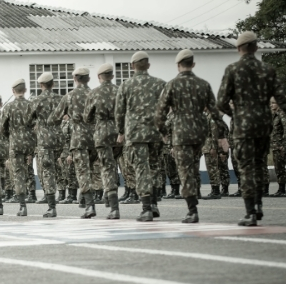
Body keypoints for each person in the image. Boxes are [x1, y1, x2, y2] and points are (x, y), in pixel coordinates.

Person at [217, 31, 286, 226]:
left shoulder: (232, 70)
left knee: (246, 168)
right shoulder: (267, 70)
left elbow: (221, 102)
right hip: (264, 127)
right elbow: (281, 98)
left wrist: (235, 115)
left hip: (243, 128)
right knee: (258, 165)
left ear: (239, 49)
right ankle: (259, 203)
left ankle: (251, 211)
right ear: (255, 47)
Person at [157, 49, 227, 223]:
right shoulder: (203, 84)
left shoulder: (172, 85)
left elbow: (160, 114)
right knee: (194, 168)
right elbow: (215, 112)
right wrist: (222, 136)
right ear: (193, 64)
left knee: (185, 171)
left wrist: (165, 134)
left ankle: (192, 209)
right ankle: (195, 196)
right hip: (200, 135)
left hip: (181, 135)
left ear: (178, 65)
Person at [116, 52, 166, 221]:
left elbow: (119, 112)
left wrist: (121, 132)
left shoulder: (126, 85)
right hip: (155, 134)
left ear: (132, 66)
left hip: (136, 135)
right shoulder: (160, 84)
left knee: (141, 168)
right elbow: (168, 109)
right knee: (154, 167)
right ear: (148, 65)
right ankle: (154, 204)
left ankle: (146, 208)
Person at [49, 68, 96, 218]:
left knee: (82, 171)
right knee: (94, 170)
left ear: (75, 78)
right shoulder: (96, 93)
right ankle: (86, 198)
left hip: (79, 139)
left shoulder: (70, 96)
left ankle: (89, 205)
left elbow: (54, 118)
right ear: (88, 79)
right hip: (96, 137)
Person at [84, 63, 121, 219]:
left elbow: (87, 117)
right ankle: (108, 193)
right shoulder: (120, 91)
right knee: (114, 165)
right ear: (112, 76)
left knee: (106, 167)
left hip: (102, 133)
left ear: (99, 77)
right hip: (119, 133)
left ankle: (114, 207)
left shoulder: (94, 93)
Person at [27, 73, 62, 218]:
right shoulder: (61, 99)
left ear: (41, 85)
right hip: (60, 139)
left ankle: (51, 207)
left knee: (47, 172)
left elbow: (28, 121)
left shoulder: (36, 101)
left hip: (44, 141)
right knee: (62, 171)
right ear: (53, 84)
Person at [4, 79, 36, 216]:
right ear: (26, 90)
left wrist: (10, 136)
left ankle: (22, 206)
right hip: (29, 143)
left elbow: (3, 128)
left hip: (15, 144)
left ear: (13, 91)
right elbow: (36, 126)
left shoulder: (8, 107)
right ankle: (33, 193)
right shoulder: (32, 105)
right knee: (29, 169)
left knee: (18, 174)